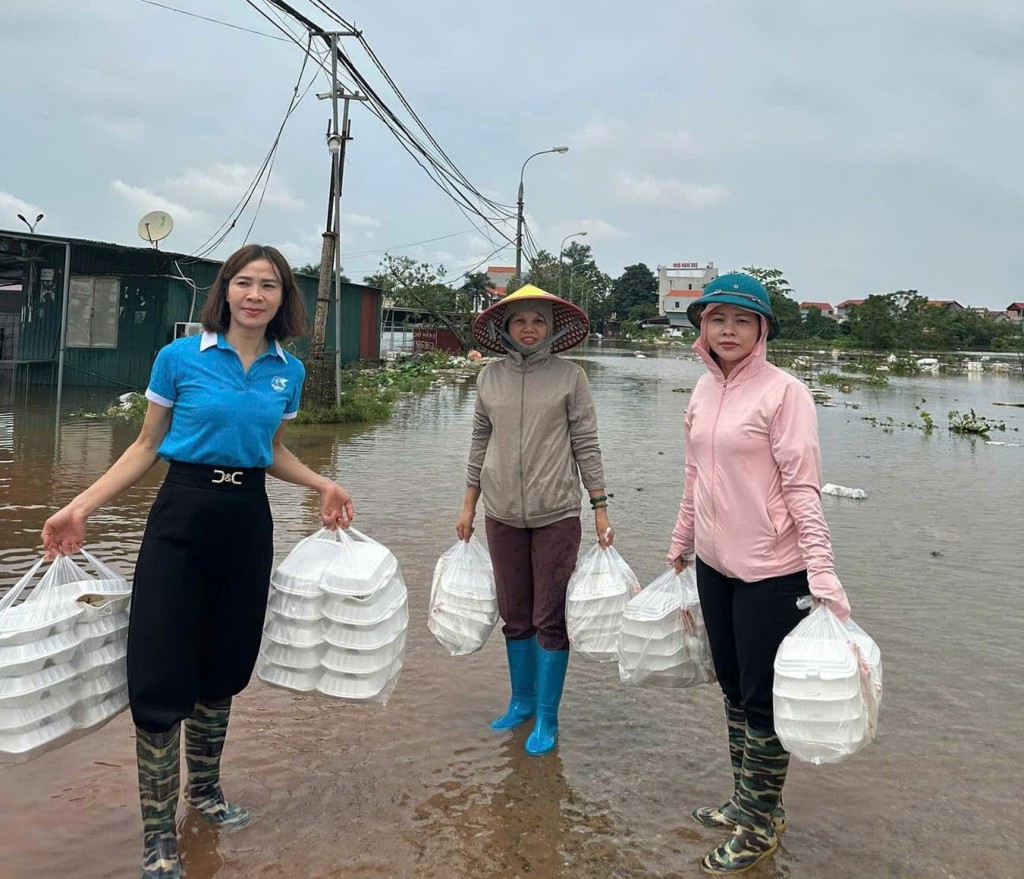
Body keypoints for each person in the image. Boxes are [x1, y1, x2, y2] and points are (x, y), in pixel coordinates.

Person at [41, 244, 355, 879]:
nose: (255, 295)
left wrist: (323, 484)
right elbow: (145, 445)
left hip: (247, 522)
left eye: (269, 285)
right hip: (181, 513)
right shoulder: (181, 356)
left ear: (283, 299)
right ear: (225, 290)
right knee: (159, 669)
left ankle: (206, 795)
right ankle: (159, 836)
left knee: (225, 662)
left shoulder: (284, 371)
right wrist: (78, 508)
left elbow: (269, 452)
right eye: (244, 282)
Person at [665, 272, 850, 875]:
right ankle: (748, 801)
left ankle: (760, 826)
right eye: (717, 318)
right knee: (731, 687)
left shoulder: (784, 393)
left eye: (742, 320)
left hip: (775, 570)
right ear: (702, 328)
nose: (728, 330)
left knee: (762, 700)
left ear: (762, 329)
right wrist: (682, 541)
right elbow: (696, 478)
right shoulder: (701, 391)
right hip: (717, 566)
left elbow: (802, 487)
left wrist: (821, 572)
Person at [455, 284, 611, 757]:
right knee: (514, 614)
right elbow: (480, 441)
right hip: (500, 512)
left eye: (538, 321)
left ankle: (547, 715)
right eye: (519, 321)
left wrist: (600, 505)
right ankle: (520, 701)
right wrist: (468, 504)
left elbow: (586, 442)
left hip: (557, 513)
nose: (529, 329)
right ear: (504, 328)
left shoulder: (571, 378)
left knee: (550, 617)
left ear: (551, 328)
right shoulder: (490, 379)